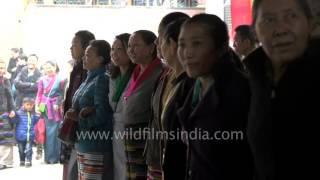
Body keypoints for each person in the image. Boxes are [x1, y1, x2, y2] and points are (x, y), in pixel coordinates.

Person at [245, 0, 320, 179]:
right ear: (255, 31)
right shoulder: (256, 76)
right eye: (269, 20)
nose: (280, 29)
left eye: (291, 16)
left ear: (310, 24)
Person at [177, 13, 253, 180]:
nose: (187, 53)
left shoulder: (241, 91)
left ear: (221, 46)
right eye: (182, 44)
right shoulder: (192, 87)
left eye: (197, 43)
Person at [145, 12, 189, 180]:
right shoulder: (167, 74)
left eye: (160, 36)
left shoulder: (191, 82)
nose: (157, 42)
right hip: (161, 155)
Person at [64, 40, 114, 180]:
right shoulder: (88, 78)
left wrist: (78, 118)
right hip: (83, 144)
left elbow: (102, 114)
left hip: (95, 146)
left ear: (100, 59)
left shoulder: (102, 80)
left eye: (88, 55)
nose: (84, 58)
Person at [123, 30, 163, 179]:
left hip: (146, 135)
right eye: (129, 46)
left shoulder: (160, 71)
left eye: (136, 46)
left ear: (151, 48)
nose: (131, 50)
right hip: (130, 134)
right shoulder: (136, 70)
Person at [61, 30, 95, 180]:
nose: (71, 48)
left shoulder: (91, 72)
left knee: (77, 170)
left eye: (74, 45)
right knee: (70, 169)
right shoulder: (77, 68)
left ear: (86, 47)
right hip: (72, 123)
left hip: (82, 128)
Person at [109, 33, 135, 180]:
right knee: (117, 168)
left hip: (130, 129)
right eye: (113, 49)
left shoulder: (136, 75)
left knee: (127, 168)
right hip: (115, 129)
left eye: (119, 49)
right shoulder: (113, 76)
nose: (114, 53)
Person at [35, 60, 66, 164]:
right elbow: (39, 94)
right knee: (48, 132)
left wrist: (58, 102)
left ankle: (57, 156)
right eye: (46, 67)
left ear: (55, 67)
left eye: (50, 67)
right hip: (45, 107)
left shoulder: (61, 79)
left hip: (55, 107)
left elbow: (62, 93)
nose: (48, 69)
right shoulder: (41, 80)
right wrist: (37, 106)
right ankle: (49, 158)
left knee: (56, 131)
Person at [10, 97, 40, 167]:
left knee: (29, 149)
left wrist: (38, 115)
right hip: (20, 136)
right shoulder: (18, 113)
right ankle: (22, 160)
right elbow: (15, 121)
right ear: (23, 104)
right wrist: (12, 117)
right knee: (21, 150)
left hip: (30, 135)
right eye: (27, 104)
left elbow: (34, 122)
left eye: (31, 105)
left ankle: (28, 161)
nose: (29, 106)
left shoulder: (32, 114)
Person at [0, 59, 15, 170]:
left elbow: (10, 96)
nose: (2, 70)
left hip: (4, 112)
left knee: (6, 136)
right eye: (0, 68)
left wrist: (12, 110)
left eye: (3, 68)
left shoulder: (6, 81)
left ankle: (6, 161)